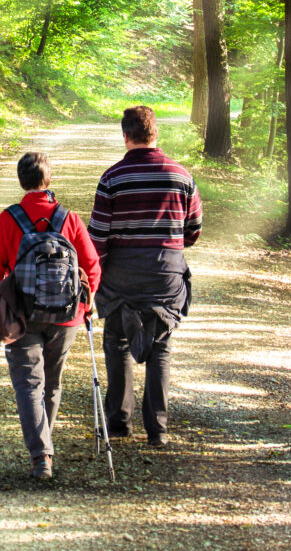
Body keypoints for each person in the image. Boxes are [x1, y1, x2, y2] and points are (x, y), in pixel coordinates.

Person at [0, 150, 102, 480]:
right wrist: (87, 303)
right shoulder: (70, 219)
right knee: (51, 381)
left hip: (21, 315)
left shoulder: (10, 218)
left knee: (28, 384)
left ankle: (41, 457)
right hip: (67, 316)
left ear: (21, 181)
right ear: (48, 179)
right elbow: (91, 265)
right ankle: (43, 446)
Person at [89, 105, 198, 447]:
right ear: (156, 134)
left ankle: (119, 422)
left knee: (118, 342)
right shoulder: (182, 176)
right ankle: (158, 430)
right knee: (160, 347)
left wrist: (99, 277)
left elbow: (98, 238)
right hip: (165, 273)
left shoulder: (112, 178)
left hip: (122, 273)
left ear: (125, 137)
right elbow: (192, 232)